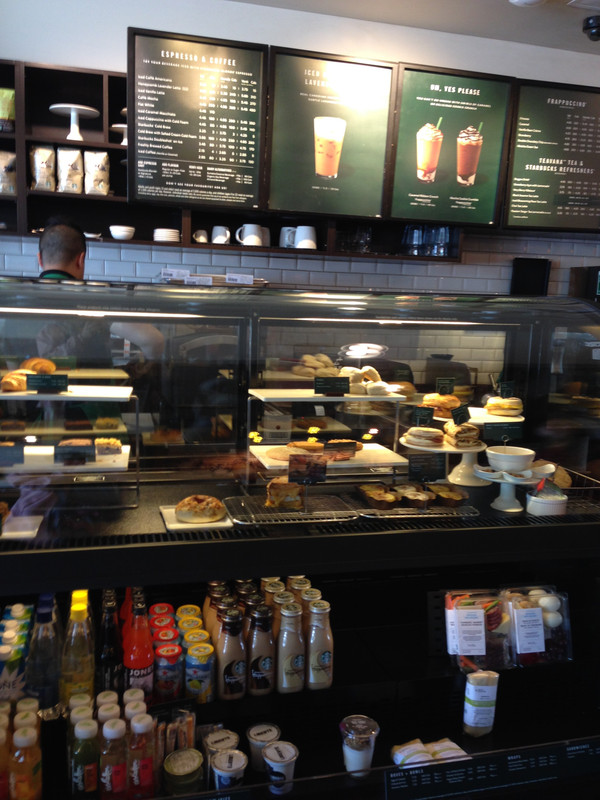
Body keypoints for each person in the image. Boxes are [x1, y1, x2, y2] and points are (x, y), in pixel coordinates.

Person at [36, 216, 165, 363]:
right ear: (81, 259)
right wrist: (143, 367)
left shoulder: (18, 298)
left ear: (40, 259)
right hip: (92, 378)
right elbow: (154, 340)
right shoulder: (94, 302)